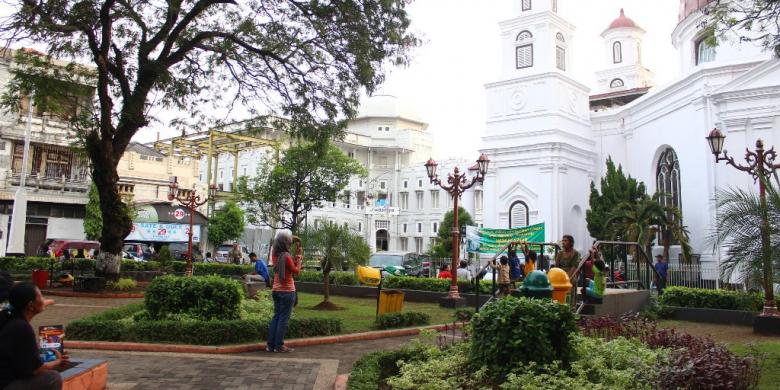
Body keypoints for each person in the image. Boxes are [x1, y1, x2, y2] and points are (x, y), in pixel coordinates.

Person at [0, 282, 67, 390]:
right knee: (52, 377)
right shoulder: (22, 328)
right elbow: (35, 369)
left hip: (9, 379)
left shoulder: (10, 318)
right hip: (6, 385)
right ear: (30, 305)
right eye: (40, 296)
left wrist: (48, 358)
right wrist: (57, 362)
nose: (43, 299)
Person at [267, 230, 302, 353]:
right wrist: (299, 258)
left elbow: (281, 239)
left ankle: (271, 345)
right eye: (289, 242)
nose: (290, 243)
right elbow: (296, 271)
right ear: (285, 243)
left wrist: (294, 239)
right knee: (283, 318)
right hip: (287, 291)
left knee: (276, 316)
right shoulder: (286, 257)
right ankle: (279, 345)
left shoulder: (275, 254)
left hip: (276, 289)